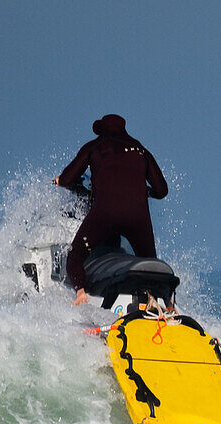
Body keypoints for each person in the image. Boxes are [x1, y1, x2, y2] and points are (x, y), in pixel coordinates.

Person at [53, 114, 168, 305]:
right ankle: (163, 303)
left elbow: (67, 179)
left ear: (101, 131)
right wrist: (145, 192)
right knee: (151, 264)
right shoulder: (140, 149)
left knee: (75, 256)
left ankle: (81, 293)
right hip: (137, 217)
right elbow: (162, 190)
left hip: (105, 214)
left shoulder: (94, 147)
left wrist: (60, 181)